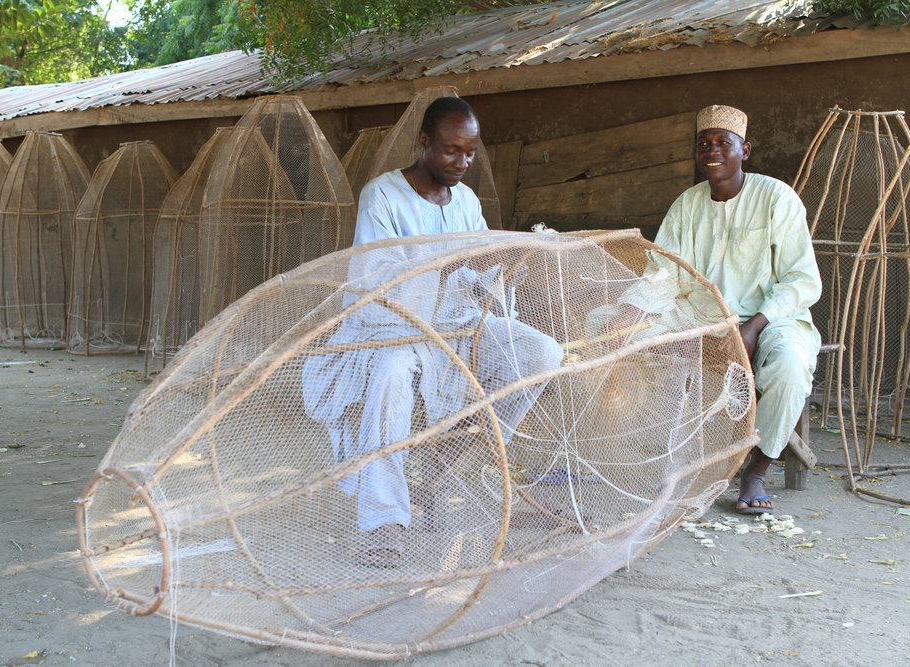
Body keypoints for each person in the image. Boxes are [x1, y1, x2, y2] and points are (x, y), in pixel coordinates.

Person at [301, 96, 563, 565]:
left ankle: (445, 470)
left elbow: (478, 280)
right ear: (423, 141)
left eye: (469, 152)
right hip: (389, 330)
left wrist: (509, 266)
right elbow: (379, 282)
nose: (461, 162)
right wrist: (454, 265)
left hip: (455, 327)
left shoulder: (465, 201)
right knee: (391, 375)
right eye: (450, 150)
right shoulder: (382, 195)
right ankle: (384, 519)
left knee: (541, 352)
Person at [607, 105, 821, 515]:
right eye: (704, 143)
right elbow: (664, 273)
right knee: (608, 328)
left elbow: (802, 280)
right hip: (700, 314)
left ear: (745, 150)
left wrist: (754, 327)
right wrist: (631, 313)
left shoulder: (776, 197)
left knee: (791, 367)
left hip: (771, 316)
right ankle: (650, 455)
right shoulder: (687, 205)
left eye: (724, 142)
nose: (713, 150)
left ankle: (757, 468)